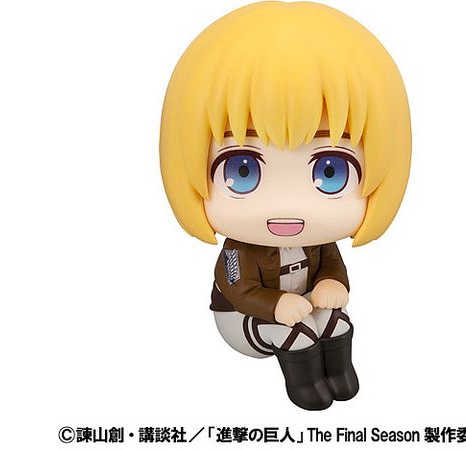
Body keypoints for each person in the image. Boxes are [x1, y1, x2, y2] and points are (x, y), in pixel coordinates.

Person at [160, 1, 411, 410]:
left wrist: (333, 284)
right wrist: (275, 305)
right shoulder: (240, 251)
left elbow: (332, 266)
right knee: (296, 333)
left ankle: (340, 376)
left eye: (332, 171)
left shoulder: (319, 242)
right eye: (242, 170)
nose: (288, 206)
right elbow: (238, 290)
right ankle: (305, 388)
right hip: (245, 320)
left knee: (335, 320)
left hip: (303, 307)